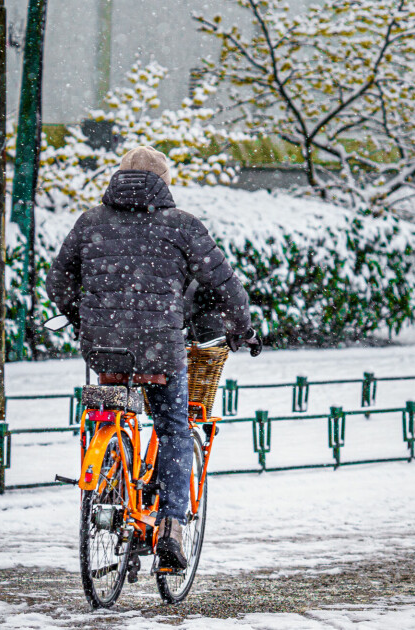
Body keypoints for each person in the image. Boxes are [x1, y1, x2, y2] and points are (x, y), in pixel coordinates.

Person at [48, 146, 260, 570]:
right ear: (164, 182)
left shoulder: (90, 222)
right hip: (161, 350)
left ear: (118, 177)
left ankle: (108, 488)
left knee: (107, 412)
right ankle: (171, 527)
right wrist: (242, 330)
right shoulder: (182, 226)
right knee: (173, 429)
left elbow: (59, 281)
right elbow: (225, 285)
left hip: (105, 349)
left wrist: (82, 318)